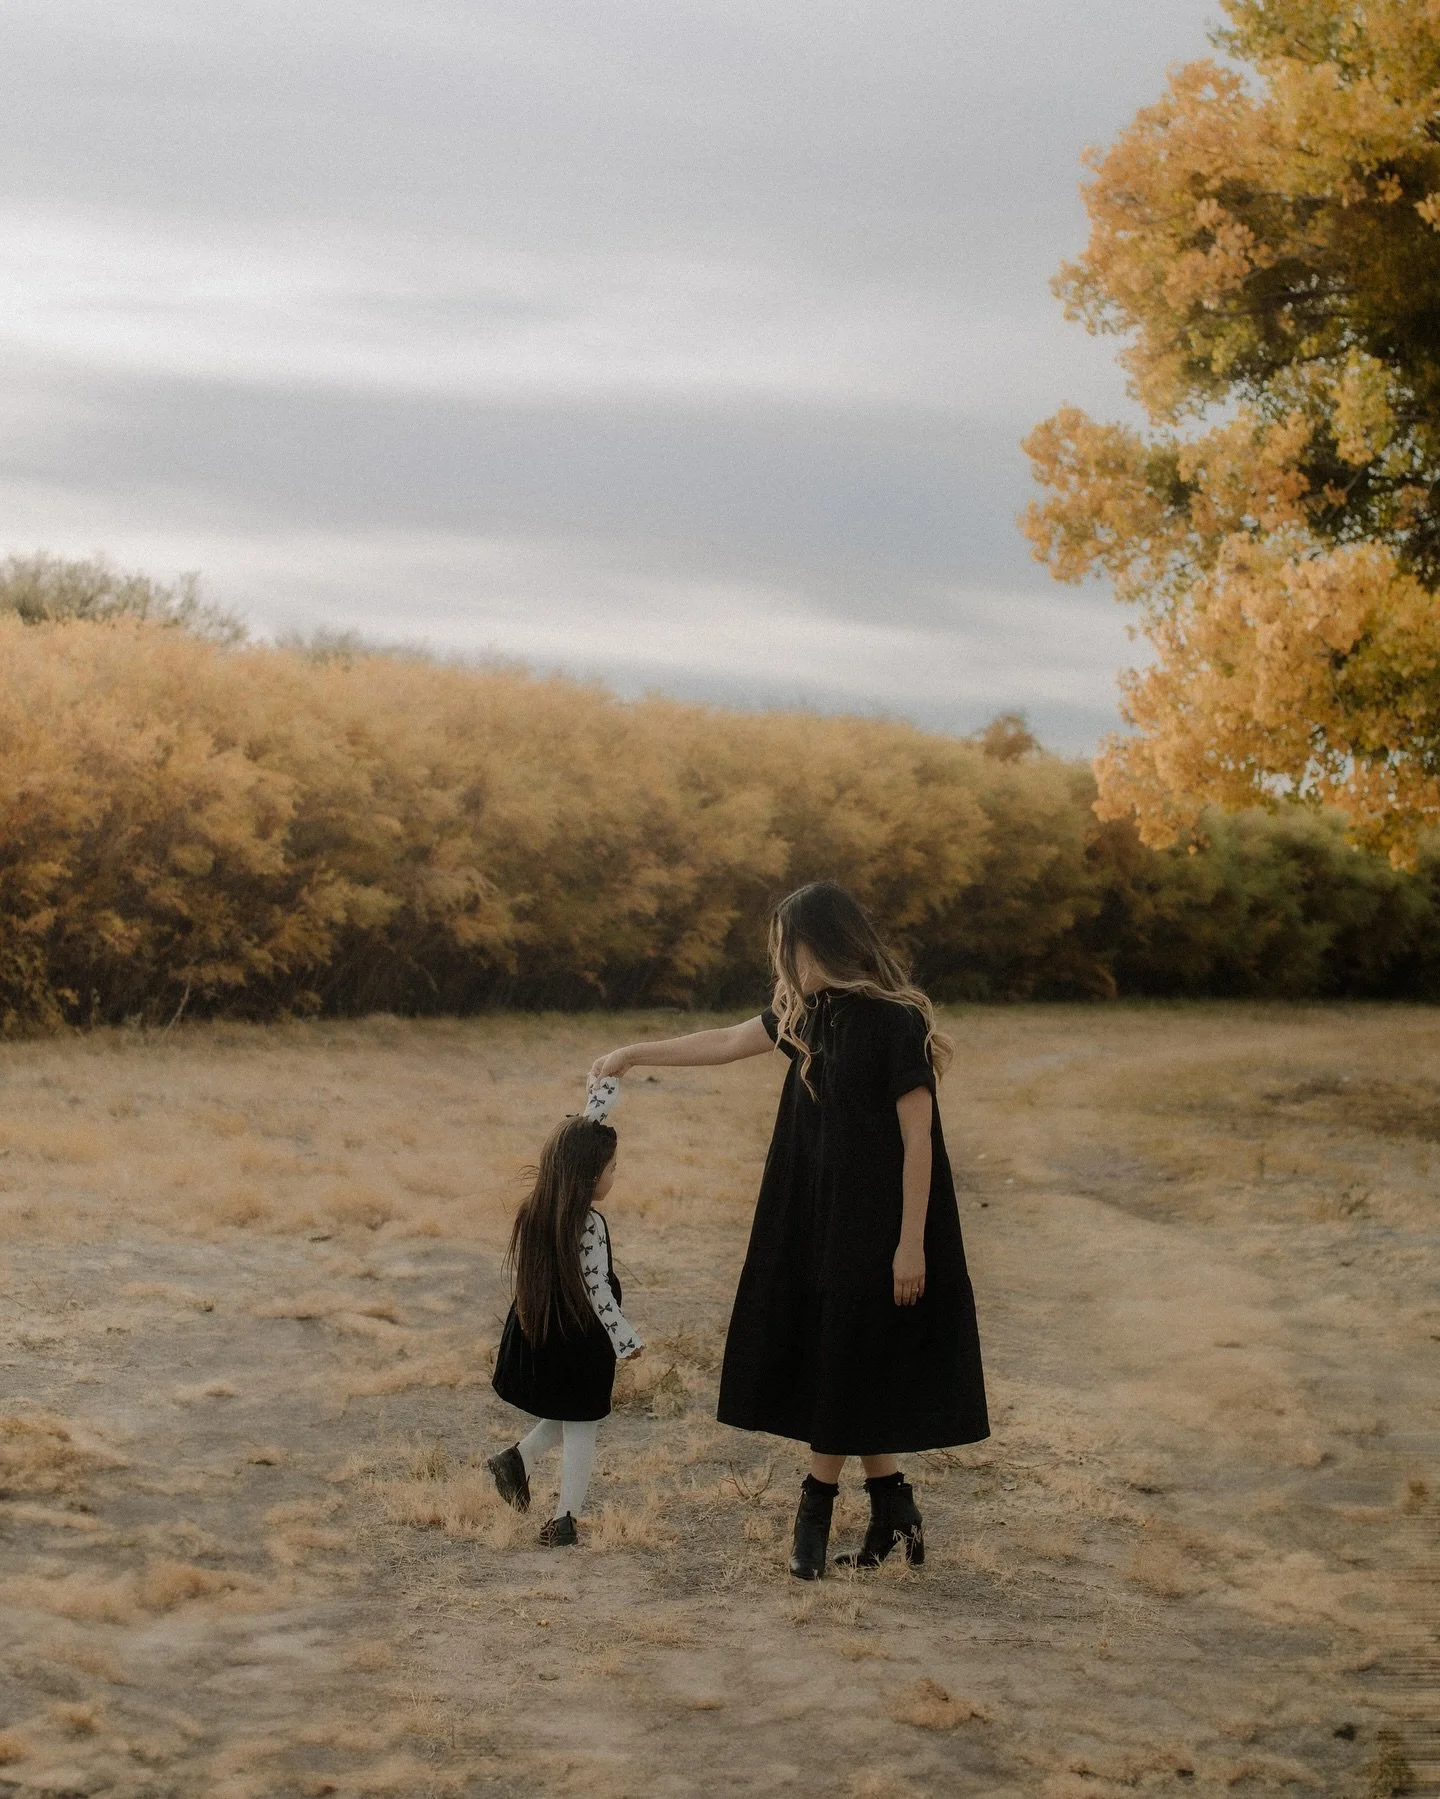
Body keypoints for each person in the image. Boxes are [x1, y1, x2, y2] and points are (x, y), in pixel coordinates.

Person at [590, 881, 988, 1579]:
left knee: (842, 1353)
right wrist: (633, 1053)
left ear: (823, 943)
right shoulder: (807, 1016)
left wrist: (910, 1241)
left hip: (879, 1224)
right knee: (842, 1355)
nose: (785, 961)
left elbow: (920, 1139)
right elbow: (720, 1041)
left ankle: (817, 1505)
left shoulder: (894, 1021)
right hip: (812, 1216)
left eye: (791, 946)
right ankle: (894, 1507)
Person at [487, 1114, 643, 1546]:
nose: (616, 1174)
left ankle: (518, 1459)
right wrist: (624, 1338)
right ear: (589, 1174)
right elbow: (598, 1292)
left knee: (570, 1411)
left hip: (547, 1330)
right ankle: (564, 1519)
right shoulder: (588, 1223)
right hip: (582, 1336)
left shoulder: (539, 1210)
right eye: (611, 1168)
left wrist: (601, 1090)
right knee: (582, 1424)